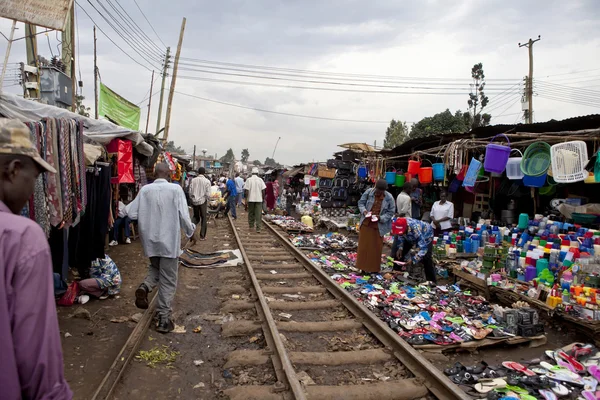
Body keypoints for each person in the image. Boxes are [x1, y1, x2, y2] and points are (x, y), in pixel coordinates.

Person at [0, 119, 72, 399]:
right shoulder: (20, 238)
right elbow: (37, 361)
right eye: (34, 177)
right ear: (14, 170)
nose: (33, 191)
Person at [127, 163, 195, 333]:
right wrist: (190, 232)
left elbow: (131, 213)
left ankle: (145, 287)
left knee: (155, 268)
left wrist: (147, 217)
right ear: (169, 174)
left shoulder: (145, 190)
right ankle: (164, 318)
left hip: (150, 241)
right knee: (168, 279)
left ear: (154, 174)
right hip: (169, 241)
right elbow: (183, 215)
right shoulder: (175, 189)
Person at [356, 179, 395, 273]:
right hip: (366, 224)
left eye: (381, 191)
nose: (379, 192)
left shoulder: (389, 197)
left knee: (376, 248)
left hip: (379, 227)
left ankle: (373, 269)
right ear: (375, 187)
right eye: (378, 190)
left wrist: (380, 218)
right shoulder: (369, 192)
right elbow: (361, 203)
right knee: (364, 247)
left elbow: (391, 212)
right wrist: (364, 211)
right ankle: (363, 268)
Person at [392, 217, 436, 283]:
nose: (401, 233)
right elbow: (400, 235)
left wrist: (413, 259)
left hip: (426, 235)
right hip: (408, 236)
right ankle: (397, 273)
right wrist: (400, 248)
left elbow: (423, 248)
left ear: (406, 226)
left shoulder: (415, 229)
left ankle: (431, 281)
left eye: (403, 231)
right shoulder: (399, 224)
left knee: (426, 257)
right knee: (398, 253)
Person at [189, 167, 211, 240]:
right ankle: (202, 236)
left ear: (198, 172)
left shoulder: (193, 180)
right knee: (204, 218)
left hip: (194, 202)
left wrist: (192, 199)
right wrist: (208, 200)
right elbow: (208, 194)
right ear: (204, 173)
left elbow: (190, 191)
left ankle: (190, 230)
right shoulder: (207, 181)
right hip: (202, 201)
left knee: (196, 217)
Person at [244, 167, 266, 232]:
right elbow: (263, 191)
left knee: (251, 213)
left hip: (251, 199)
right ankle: (258, 228)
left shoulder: (248, 180)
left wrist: (246, 200)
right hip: (259, 200)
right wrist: (263, 198)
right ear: (257, 173)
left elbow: (246, 191)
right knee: (258, 214)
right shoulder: (260, 180)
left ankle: (251, 227)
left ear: (252, 173)